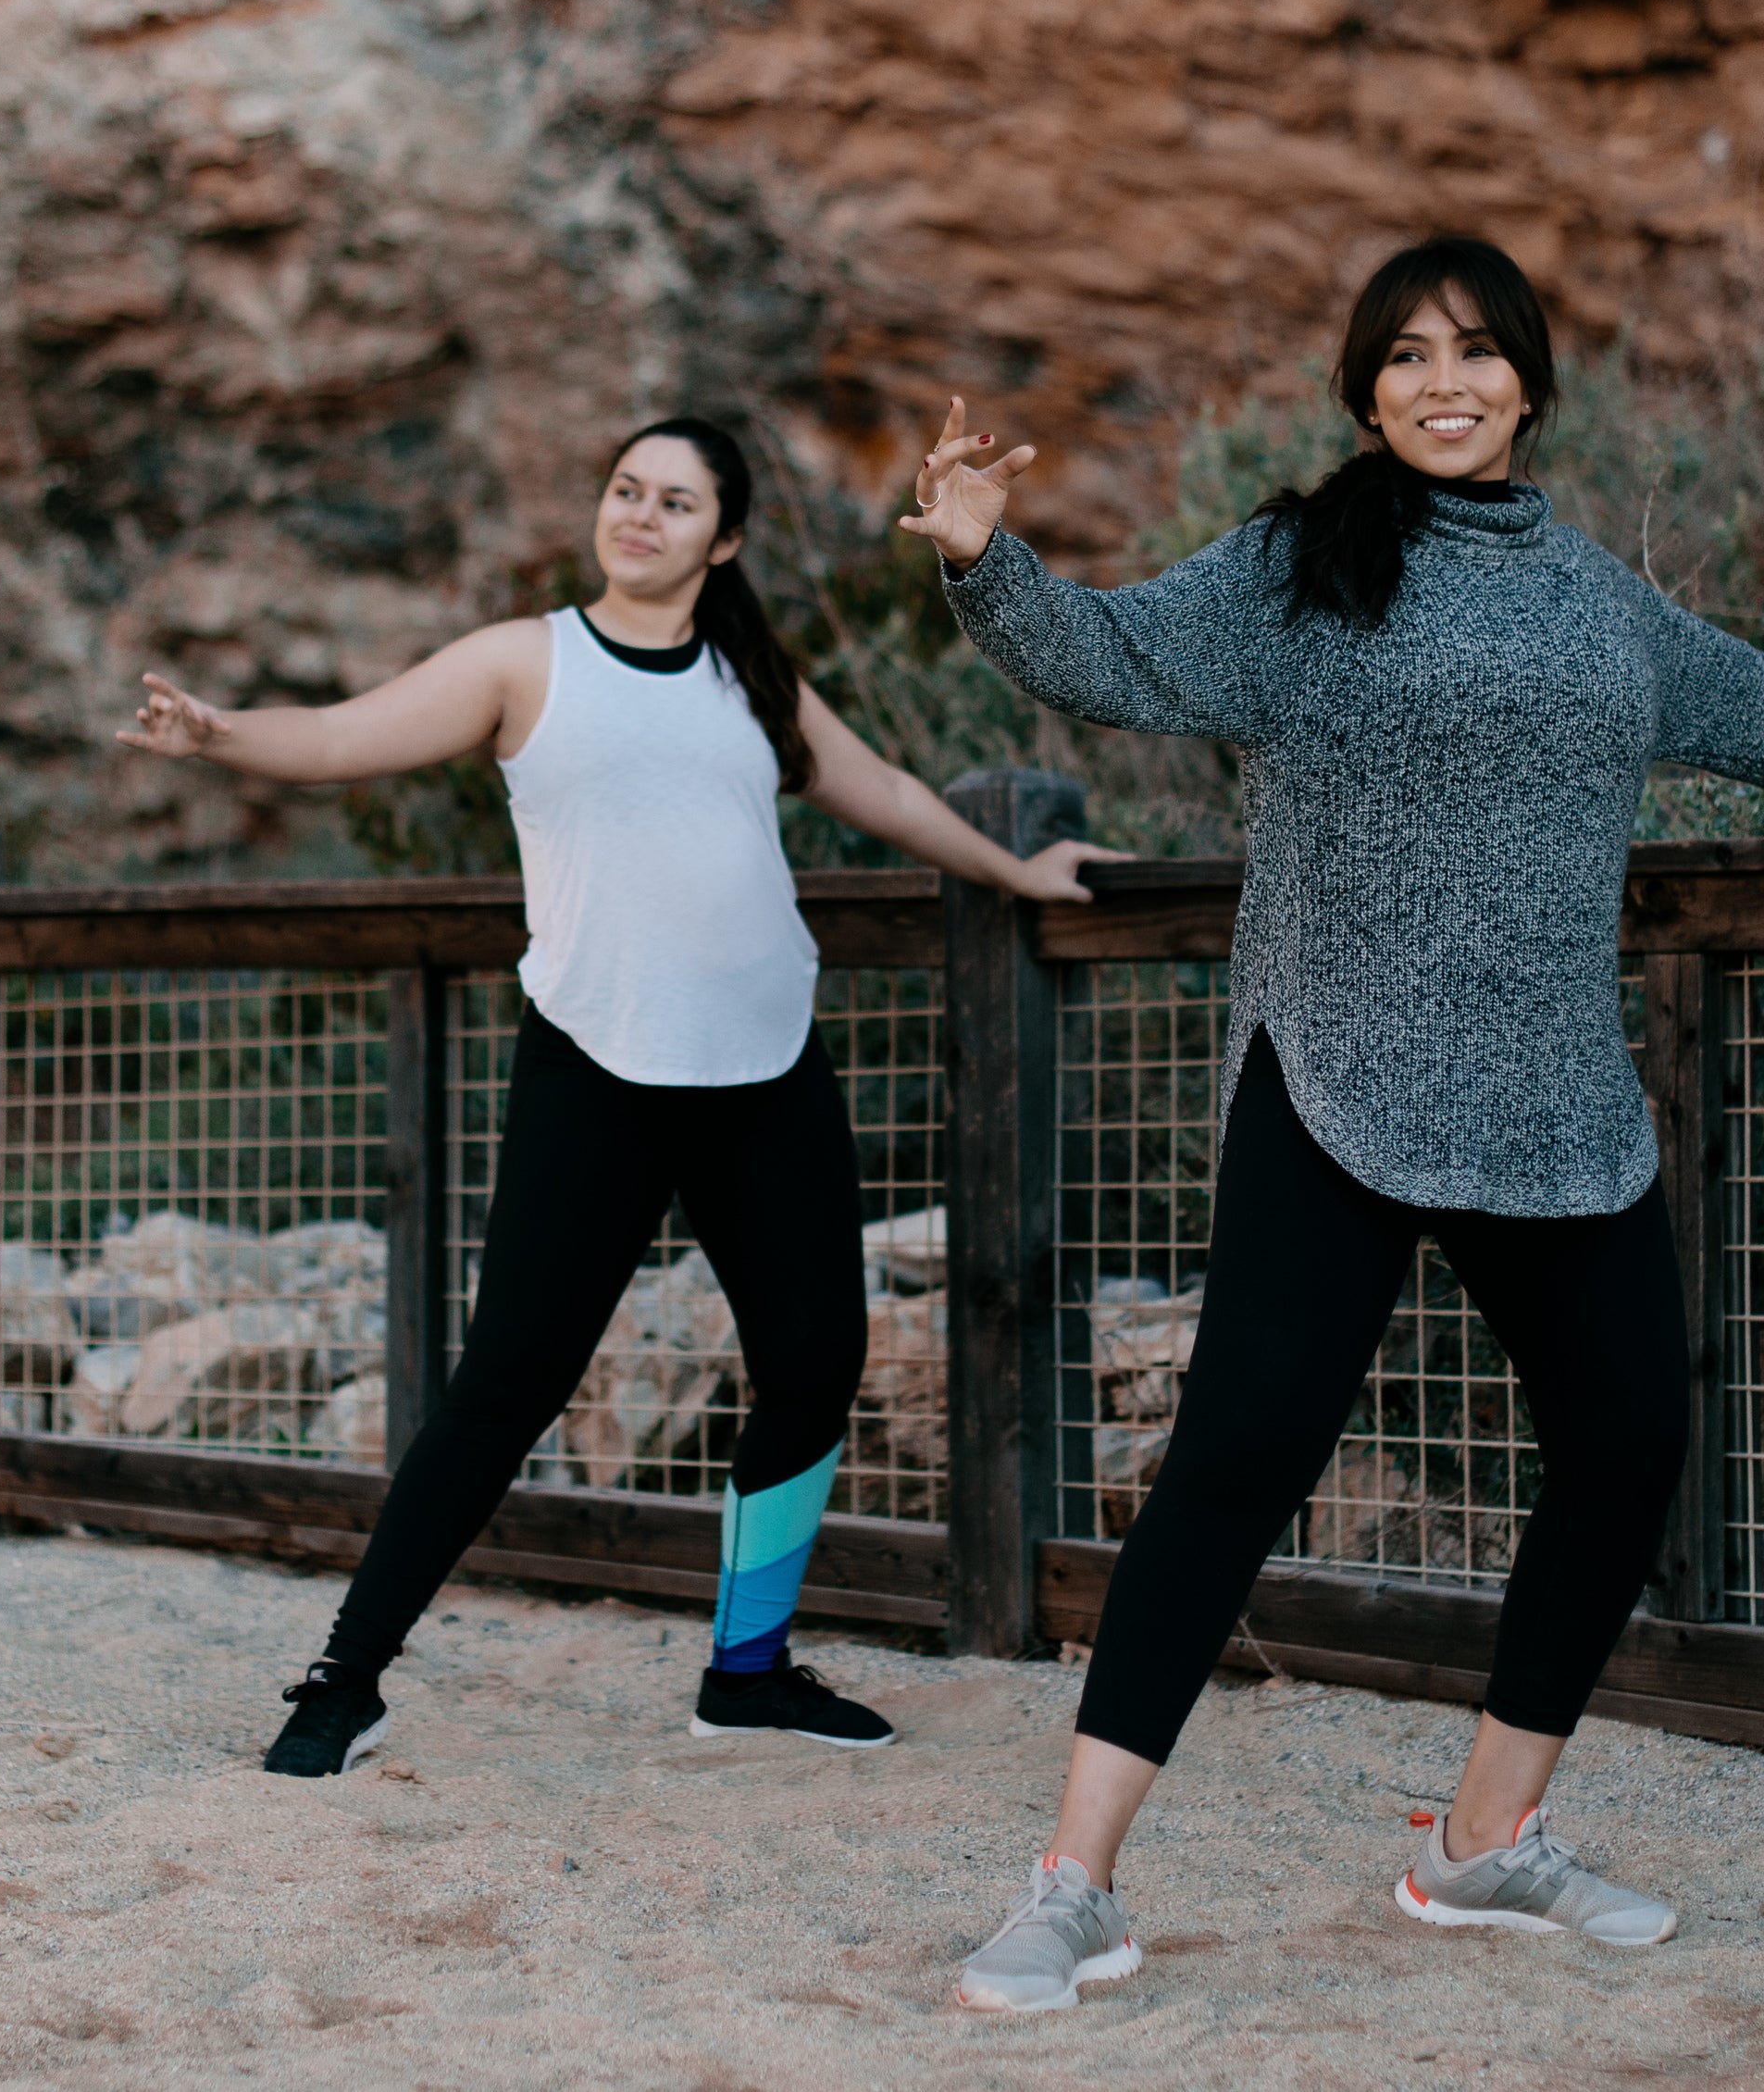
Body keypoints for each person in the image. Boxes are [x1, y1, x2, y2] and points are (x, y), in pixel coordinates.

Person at [901, 237, 1764, 2009]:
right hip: (1338, 1071)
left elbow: (1760, 704)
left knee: (1629, 1433)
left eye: (1480, 352)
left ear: (1530, 380)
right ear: (1366, 391)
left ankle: (1481, 1841)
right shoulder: (1303, 566)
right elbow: (1114, 655)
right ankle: (1072, 1883)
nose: (1447, 382)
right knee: (1235, 1461)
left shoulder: (1601, 602)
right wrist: (988, 556)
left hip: (1548, 1092)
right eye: (1410, 357)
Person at [120, 416, 1114, 1775]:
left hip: (765, 1067)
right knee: (509, 1380)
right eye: (625, 489)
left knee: (818, 1363)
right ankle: (343, 1677)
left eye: (674, 500)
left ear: (727, 537)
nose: (639, 514)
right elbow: (353, 737)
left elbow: (875, 784)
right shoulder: (527, 662)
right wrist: (221, 733)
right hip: (597, 1064)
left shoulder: (751, 676)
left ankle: (748, 1671)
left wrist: (1018, 874)